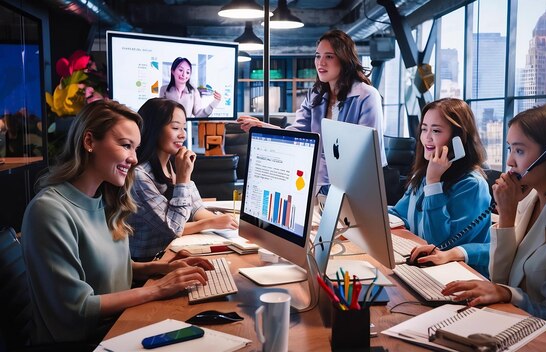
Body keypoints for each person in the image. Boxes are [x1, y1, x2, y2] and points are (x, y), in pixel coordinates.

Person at [20, 100, 213, 344]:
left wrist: (164, 269)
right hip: (88, 342)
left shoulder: (103, 198)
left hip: (117, 326)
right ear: (89, 142)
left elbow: (110, 269)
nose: (133, 159)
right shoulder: (49, 211)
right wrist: (157, 289)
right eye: (125, 146)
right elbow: (77, 308)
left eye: (135, 148)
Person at [441, 104, 546, 333]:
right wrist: (506, 215)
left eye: (519, 151)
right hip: (511, 318)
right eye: (510, 149)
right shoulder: (528, 200)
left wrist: (507, 293)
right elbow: (499, 278)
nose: (510, 161)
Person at [237, 29, 387, 194]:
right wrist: (261, 127)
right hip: (317, 184)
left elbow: (368, 155)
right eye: (317, 56)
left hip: (354, 187)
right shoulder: (315, 95)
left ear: (344, 59)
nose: (320, 63)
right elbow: (296, 136)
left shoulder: (366, 95)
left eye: (329, 56)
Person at [388, 98, 491, 277]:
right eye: (424, 129)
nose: (427, 137)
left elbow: (438, 245)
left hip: (459, 276)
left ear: (458, 139)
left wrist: (434, 183)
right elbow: (399, 214)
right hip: (425, 269)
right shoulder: (424, 174)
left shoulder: (472, 185)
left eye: (436, 130)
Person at [128, 98, 238, 262]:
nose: (183, 134)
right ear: (154, 130)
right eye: (175, 127)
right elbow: (173, 227)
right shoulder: (139, 175)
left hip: (171, 252)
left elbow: (195, 208)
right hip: (148, 263)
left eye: (184, 128)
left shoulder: (173, 163)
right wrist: (209, 223)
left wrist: (229, 223)